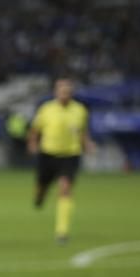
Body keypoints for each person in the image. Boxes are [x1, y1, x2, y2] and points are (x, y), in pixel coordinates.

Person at [27, 77, 96, 245]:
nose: (65, 94)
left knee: (65, 189)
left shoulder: (80, 110)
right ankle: (40, 197)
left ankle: (62, 232)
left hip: (70, 155)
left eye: (68, 91)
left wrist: (87, 144)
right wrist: (33, 144)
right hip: (48, 154)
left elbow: (82, 132)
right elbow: (35, 130)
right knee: (41, 188)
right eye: (62, 91)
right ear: (56, 92)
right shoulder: (46, 109)